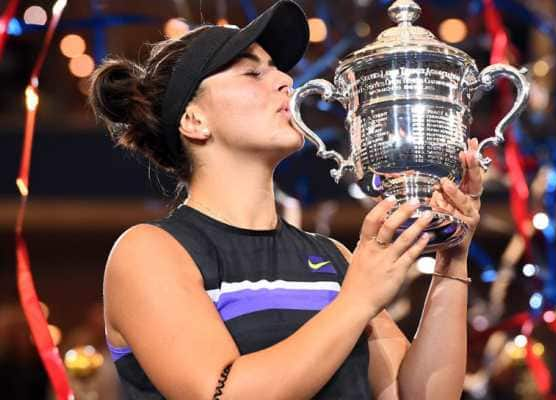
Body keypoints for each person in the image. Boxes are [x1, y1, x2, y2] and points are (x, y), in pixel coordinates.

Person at [88, 1, 483, 398]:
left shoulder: (333, 258)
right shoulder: (149, 253)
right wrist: (357, 299)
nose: (284, 81)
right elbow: (222, 393)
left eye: (277, 68)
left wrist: (452, 260)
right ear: (194, 121)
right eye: (252, 72)